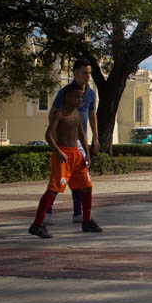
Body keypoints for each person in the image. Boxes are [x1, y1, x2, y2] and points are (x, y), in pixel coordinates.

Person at [29, 83, 102, 238]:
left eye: (81, 97)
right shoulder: (59, 113)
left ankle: (86, 221)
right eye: (77, 97)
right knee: (54, 189)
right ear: (67, 97)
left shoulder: (77, 114)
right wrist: (58, 151)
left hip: (77, 155)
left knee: (87, 186)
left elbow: (82, 135)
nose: (80, 100)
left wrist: (87, 154)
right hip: (63, 155)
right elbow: (49, 135)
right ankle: (37, 224)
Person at [44, 59, 99, 225]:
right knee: (59, 179)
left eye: (90, 73)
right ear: (75, 72)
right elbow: (54, 113)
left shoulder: (90, 93)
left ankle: (78, 213)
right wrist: (56, 137)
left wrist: (95, 137)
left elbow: (91, 115)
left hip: (80, 141)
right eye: (85, 72)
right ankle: (45, 214)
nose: (88, 76)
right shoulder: (66, 92)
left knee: (80, 179)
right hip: (65, 141)